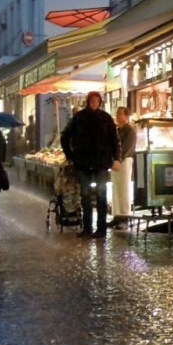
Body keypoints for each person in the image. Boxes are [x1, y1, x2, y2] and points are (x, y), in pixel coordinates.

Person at [60, 91, 120, 237]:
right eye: (92, 100)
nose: (94, 103)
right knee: (85, 196)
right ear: (88, 101)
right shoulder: (79, 118)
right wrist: (71, 156)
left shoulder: (106, 119)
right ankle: (87, 228)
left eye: (97, 101)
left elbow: (114, 140)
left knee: (101, 195)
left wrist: (116, 158)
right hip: (83, 163)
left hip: (101, 163)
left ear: (100, 102)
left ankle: (101, 228)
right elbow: (65, 137)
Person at [111, 106, 137, 225]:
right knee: (115, 187)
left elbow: (127, 147)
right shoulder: (117, 129)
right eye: (117, 114)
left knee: (124, 187)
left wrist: (118, 160)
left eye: (119, 114)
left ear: (126, 116)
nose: (117, 116)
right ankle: (116, 214)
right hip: (115, 161)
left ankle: (124, 214)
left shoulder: (130, 130)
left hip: (124, 161)